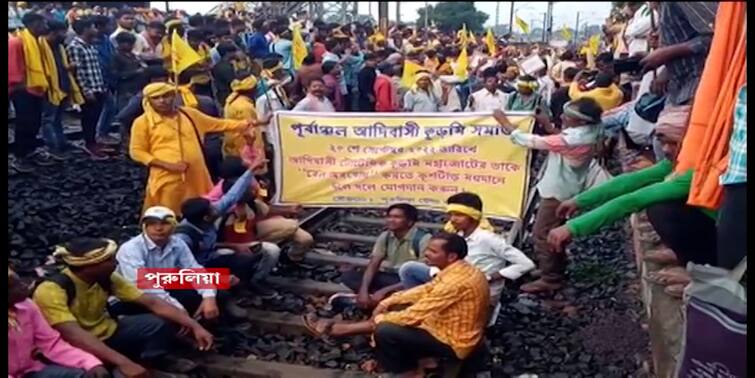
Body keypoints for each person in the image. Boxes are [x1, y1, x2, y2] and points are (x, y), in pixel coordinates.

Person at [546, 105, 716, 297]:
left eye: (674, 143)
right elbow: (632, 180)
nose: (667, 149)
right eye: (663, 142)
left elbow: (634, 200)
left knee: (661, 209)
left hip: (729, 242)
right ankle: (687, 258)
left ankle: (703, 273)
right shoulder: (682, 161)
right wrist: (580, 201)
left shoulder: (697, 171)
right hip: (715, 228)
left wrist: (573, 227)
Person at [303, 233, 490, 377]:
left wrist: (379, 318)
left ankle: (409, 372)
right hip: (444, 326)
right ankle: (426, 361)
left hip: (454, 341)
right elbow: (426, 290)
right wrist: (389, 300)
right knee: (393, 308)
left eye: (433, 251)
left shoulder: (455, 282)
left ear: (451, 256)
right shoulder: (458, 269)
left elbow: (415, 314)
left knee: (386, 330)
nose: (426, 254)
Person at [32, 238, 214, 376]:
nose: (115, 263)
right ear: (89, 266)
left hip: (108, 329)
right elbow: (74, 335)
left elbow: (152, 301)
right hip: (77, 345)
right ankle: (122, 363)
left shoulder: (107, 278)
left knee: (161, 320)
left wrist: (194, 325)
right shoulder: (52, 290)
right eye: (109, 260)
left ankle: (153, 359)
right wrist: (123, 362)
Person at [493, 98, 604, 293]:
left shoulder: (574, 138)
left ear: (581, 122)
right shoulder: (590, 131)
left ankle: (551, 278)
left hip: (558, 192)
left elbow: (533, 141)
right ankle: (554, 269)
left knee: (542, 234)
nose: (562, 117)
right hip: (567, 188)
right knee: (555, 230)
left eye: (568, 117)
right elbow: (558, 140)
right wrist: (547, 125)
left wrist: (505, 124)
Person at [129, 83, 255, 216]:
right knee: (167, 213)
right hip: (167, 178)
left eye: (166, 96)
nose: (162, 101)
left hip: (196, 175)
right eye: (156, 98)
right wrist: (169, 166)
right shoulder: (142, 123)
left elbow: (218, 124)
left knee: (201, 210)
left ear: (173, 96)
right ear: (149, 101)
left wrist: (249, 123)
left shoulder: (188, 114)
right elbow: (137, 152)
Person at [115, 206, 247, 320]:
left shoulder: (177, 243)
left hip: (166, 281)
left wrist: (208, 297)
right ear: (145, 227)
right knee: (216, 282)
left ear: (173, 226)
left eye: (164, 224)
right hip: (138, 294)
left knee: (218, 285)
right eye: (152, 224)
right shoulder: (131, 249)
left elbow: (194, 268)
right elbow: (145, 286)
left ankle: (212, 313)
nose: (158, 228)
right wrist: (176, 308)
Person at [399, 193, 534, 299]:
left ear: (473, 216)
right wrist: (437, 276)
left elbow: (526, 264)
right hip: (451, 281)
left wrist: (490, 277)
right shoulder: (457, 235)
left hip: (474, 289)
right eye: (451, 215)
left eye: (458, 215)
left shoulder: (487, 238)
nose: (453, 219)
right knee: (409, 269)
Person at [9, 267, 109, 378]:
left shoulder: (27, 306)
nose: (24, 286)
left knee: (83, 374)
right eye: (13, 287)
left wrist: (91, 363)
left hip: (31, 370)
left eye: (19, 282)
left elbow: (51, 343)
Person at [333, 204, 431, 310]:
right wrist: (363, 290)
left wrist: (385, 290)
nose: (390, 220)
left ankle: (378, 301)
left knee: (414, 288)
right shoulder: (386, 236)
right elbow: (373, 264)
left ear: (410, 222)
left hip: (411, 280)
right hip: (392, 276)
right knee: (349, 276)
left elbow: (422, 276)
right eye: (389, 216)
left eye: (397, 217)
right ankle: (379, 300)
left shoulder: (423, 239)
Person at [9, 12, 53, 173]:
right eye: (43, 23)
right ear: (34, 23)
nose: (46, 27)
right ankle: (20, 156)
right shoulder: (17, 42)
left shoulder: (40, 42)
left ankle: (30, 151)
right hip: (23, 90)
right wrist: (21, 85)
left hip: (37, 88)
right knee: (24, 123)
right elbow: (13, 67)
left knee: (34, 123)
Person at [39, 19, 84, 162]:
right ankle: (53, 147)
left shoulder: (59, 46)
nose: (65, 34)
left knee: (58, 118)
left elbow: (60, 67)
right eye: (63, 32)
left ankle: (61, 143)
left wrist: (68, 68)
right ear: (53, 32)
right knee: (48, 120)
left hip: (62, 86)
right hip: (50, 88)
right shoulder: (40, 46)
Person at [67, 17, 111, 160]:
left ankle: (93, 142)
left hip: (98, 87)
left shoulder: (90, 46)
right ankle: (89, 144)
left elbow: (95, 68)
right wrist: (86, 91)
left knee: (95, 118)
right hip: (89, 90)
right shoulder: (75, 47)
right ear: (85, 29)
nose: (95, 29)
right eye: (93, 27)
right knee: (89, 118)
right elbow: (78, 72)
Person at [223, 75, 270, 158]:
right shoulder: (245, 107)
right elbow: (252, 133)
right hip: (244, 152)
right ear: (251, 90)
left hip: (234, 148)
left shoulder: (231, 99)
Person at [111, 32, 147, 110]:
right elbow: (115, 75)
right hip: (125, 91)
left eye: (132, 43)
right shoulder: (116, 57)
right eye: (128, 43)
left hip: (137, 89)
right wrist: (136, 72)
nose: (130, 46)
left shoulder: (133, 56)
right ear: (120, 43)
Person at [211, 42, 240, 106]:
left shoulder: (218, 65)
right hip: (228, 94)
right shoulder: (225, 67)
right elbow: (233, 81)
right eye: (233, 52)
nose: (235, 53)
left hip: (222, 95)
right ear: (227, 53)